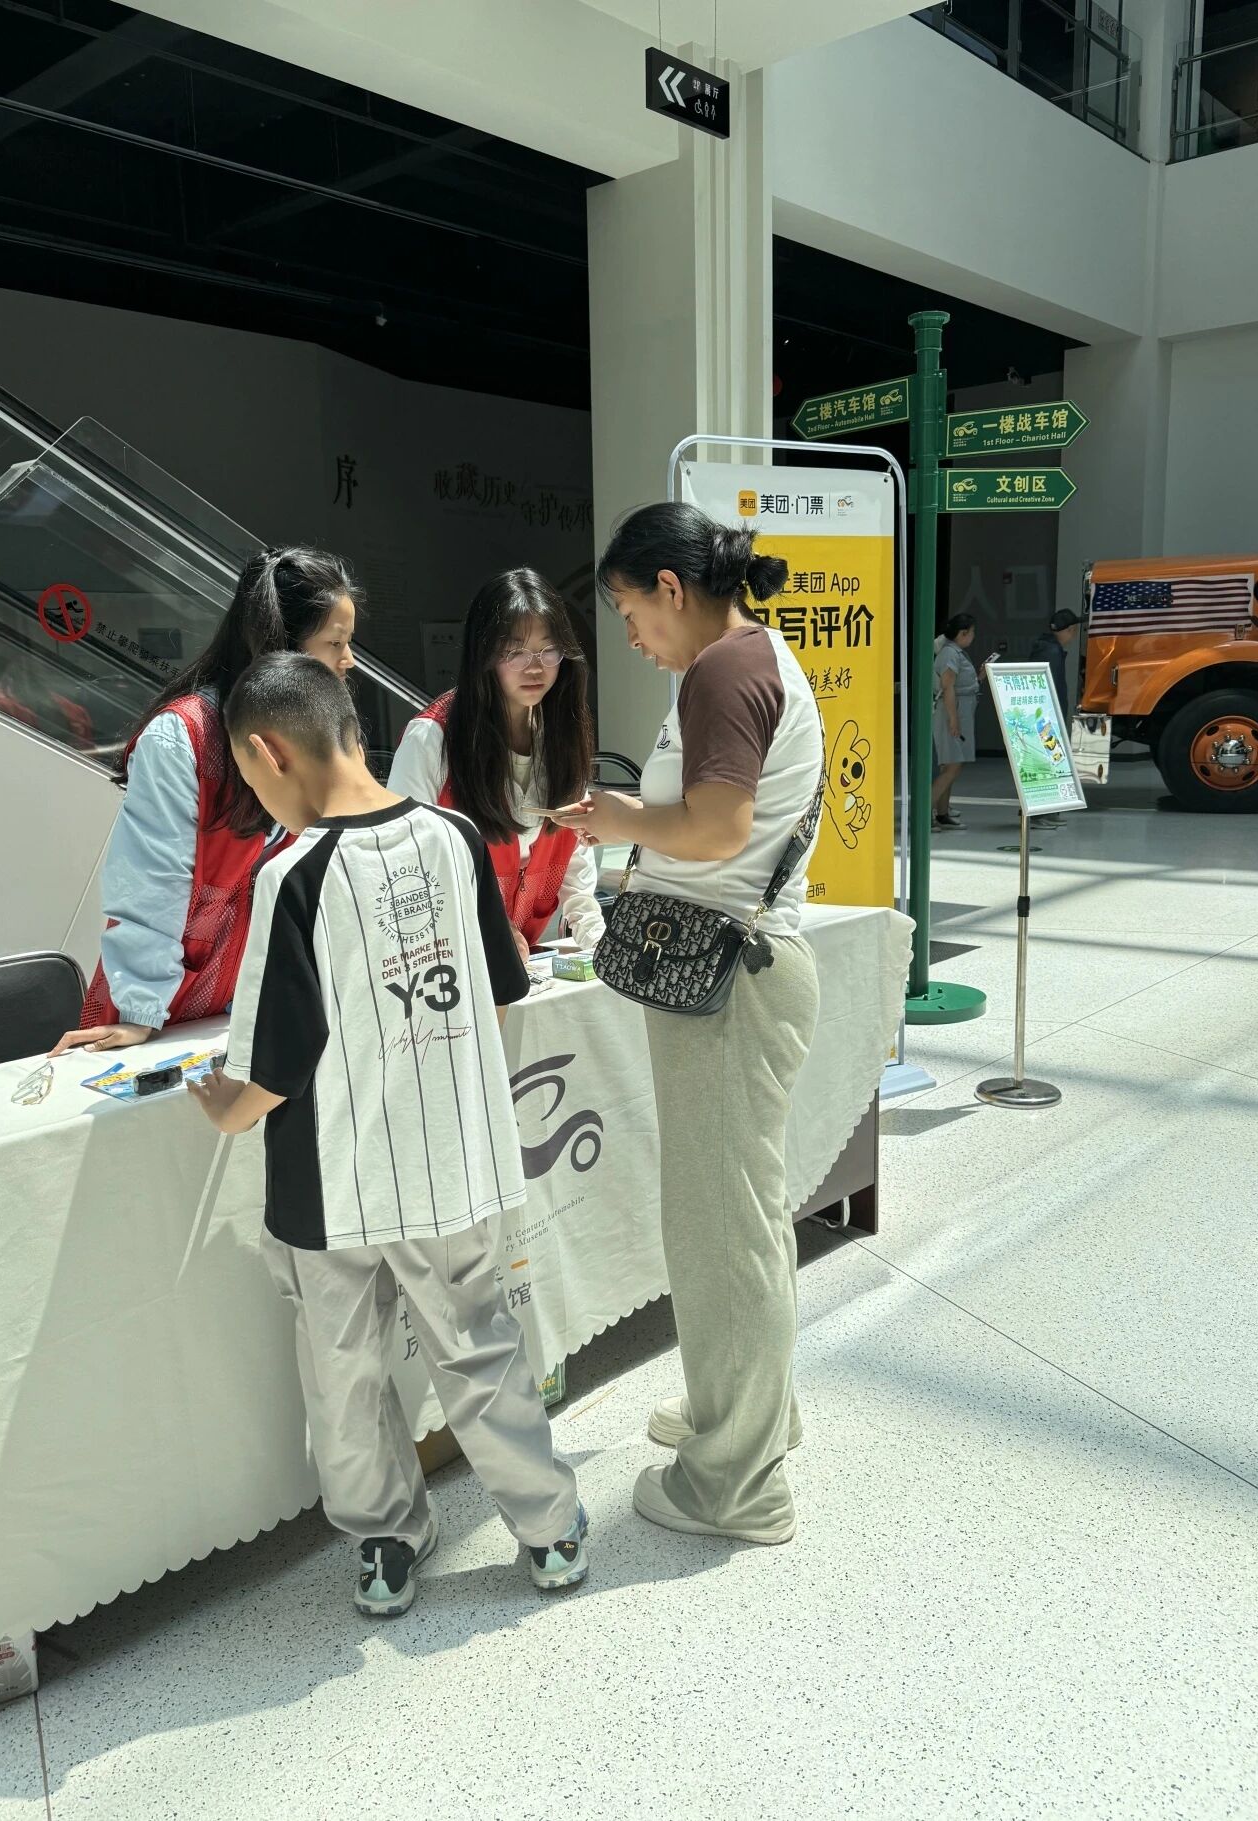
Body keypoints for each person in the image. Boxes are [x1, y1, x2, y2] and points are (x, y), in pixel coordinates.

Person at [187, 652, 588, 1616]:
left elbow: (267, 1073)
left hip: (331, 1184)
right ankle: (550, 1531)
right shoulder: (455, 835)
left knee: (345, 1370)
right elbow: (500, 987)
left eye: (249, 779)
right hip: (451, 1161)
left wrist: (219, 1103)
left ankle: (385, 1540)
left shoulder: (293, 875)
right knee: (480, 1349)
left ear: (267, 752)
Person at [552, 502, 824, 1547]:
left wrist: (621, 820)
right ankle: (745, 1415)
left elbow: (717, 827)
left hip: (730, 983)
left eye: (631, 612)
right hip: (743, 971)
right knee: (737, 1218)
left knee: (720, 1230)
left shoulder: (722, 669)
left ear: (671, 588)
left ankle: (738, 1484)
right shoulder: (749, 659)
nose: (630, 636)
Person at [50, 547, 359, 1058]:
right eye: (335, 643)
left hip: (251, 1001)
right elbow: (152, 883)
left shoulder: (315, 731)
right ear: (283, 646)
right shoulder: (183, 736)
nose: (348, 661)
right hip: (163, 1002)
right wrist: (140, 1010)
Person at [387, 569, 605, 959]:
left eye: (549, 650)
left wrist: (597, 938)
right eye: (515, 652)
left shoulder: (562, 733)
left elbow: (573, 856)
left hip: (524, 955)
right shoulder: (433, 738)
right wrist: (484, 924)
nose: (535, 667)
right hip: (448, 957)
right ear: (484, 654)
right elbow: (403, 860)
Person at [1027, 608, 1082, 831]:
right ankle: (1038, 814)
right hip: (1045, 718)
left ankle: (1049, 811)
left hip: (1046, 715)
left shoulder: (1049, 648)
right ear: (1069, 630)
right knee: (1045, 765)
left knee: (1052, 763)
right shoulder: (1050, 651)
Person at [932, 612, 980, 831]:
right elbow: (948, 687)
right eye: (971, 632)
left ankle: (942, 813)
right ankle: (925, 813)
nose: (973, 636)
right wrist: (953, 720)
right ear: (963, 633)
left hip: (958, 712)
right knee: (952, 766)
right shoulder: (950, 654)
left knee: (952, 765)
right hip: (951, 713)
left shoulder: (955, 653)